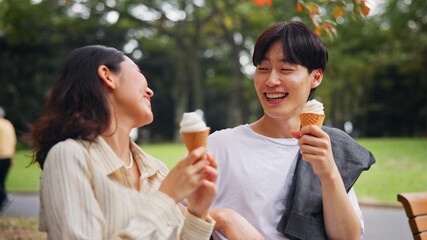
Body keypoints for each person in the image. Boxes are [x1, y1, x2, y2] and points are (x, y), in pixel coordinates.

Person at [207, 21, 375, 240]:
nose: (271, 80)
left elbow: (347, 237)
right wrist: (225, 218)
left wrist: (329, 173)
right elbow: (169, 213)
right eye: (263, 69)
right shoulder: (221, 146)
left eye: (286, 69)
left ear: (316, 77)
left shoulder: (328, 145)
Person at [30, 45, 218, 239]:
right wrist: (167, 198)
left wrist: (197, 212)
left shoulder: (157, 170)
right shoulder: (69, 157)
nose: (151, 91)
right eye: (138, 71)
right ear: (107, 75)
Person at [0, 106, 16, 211]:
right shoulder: (8, 124)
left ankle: (5, 196)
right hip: (8, 156)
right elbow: (13, 140)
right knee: (1, 180)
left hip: (0, 155)